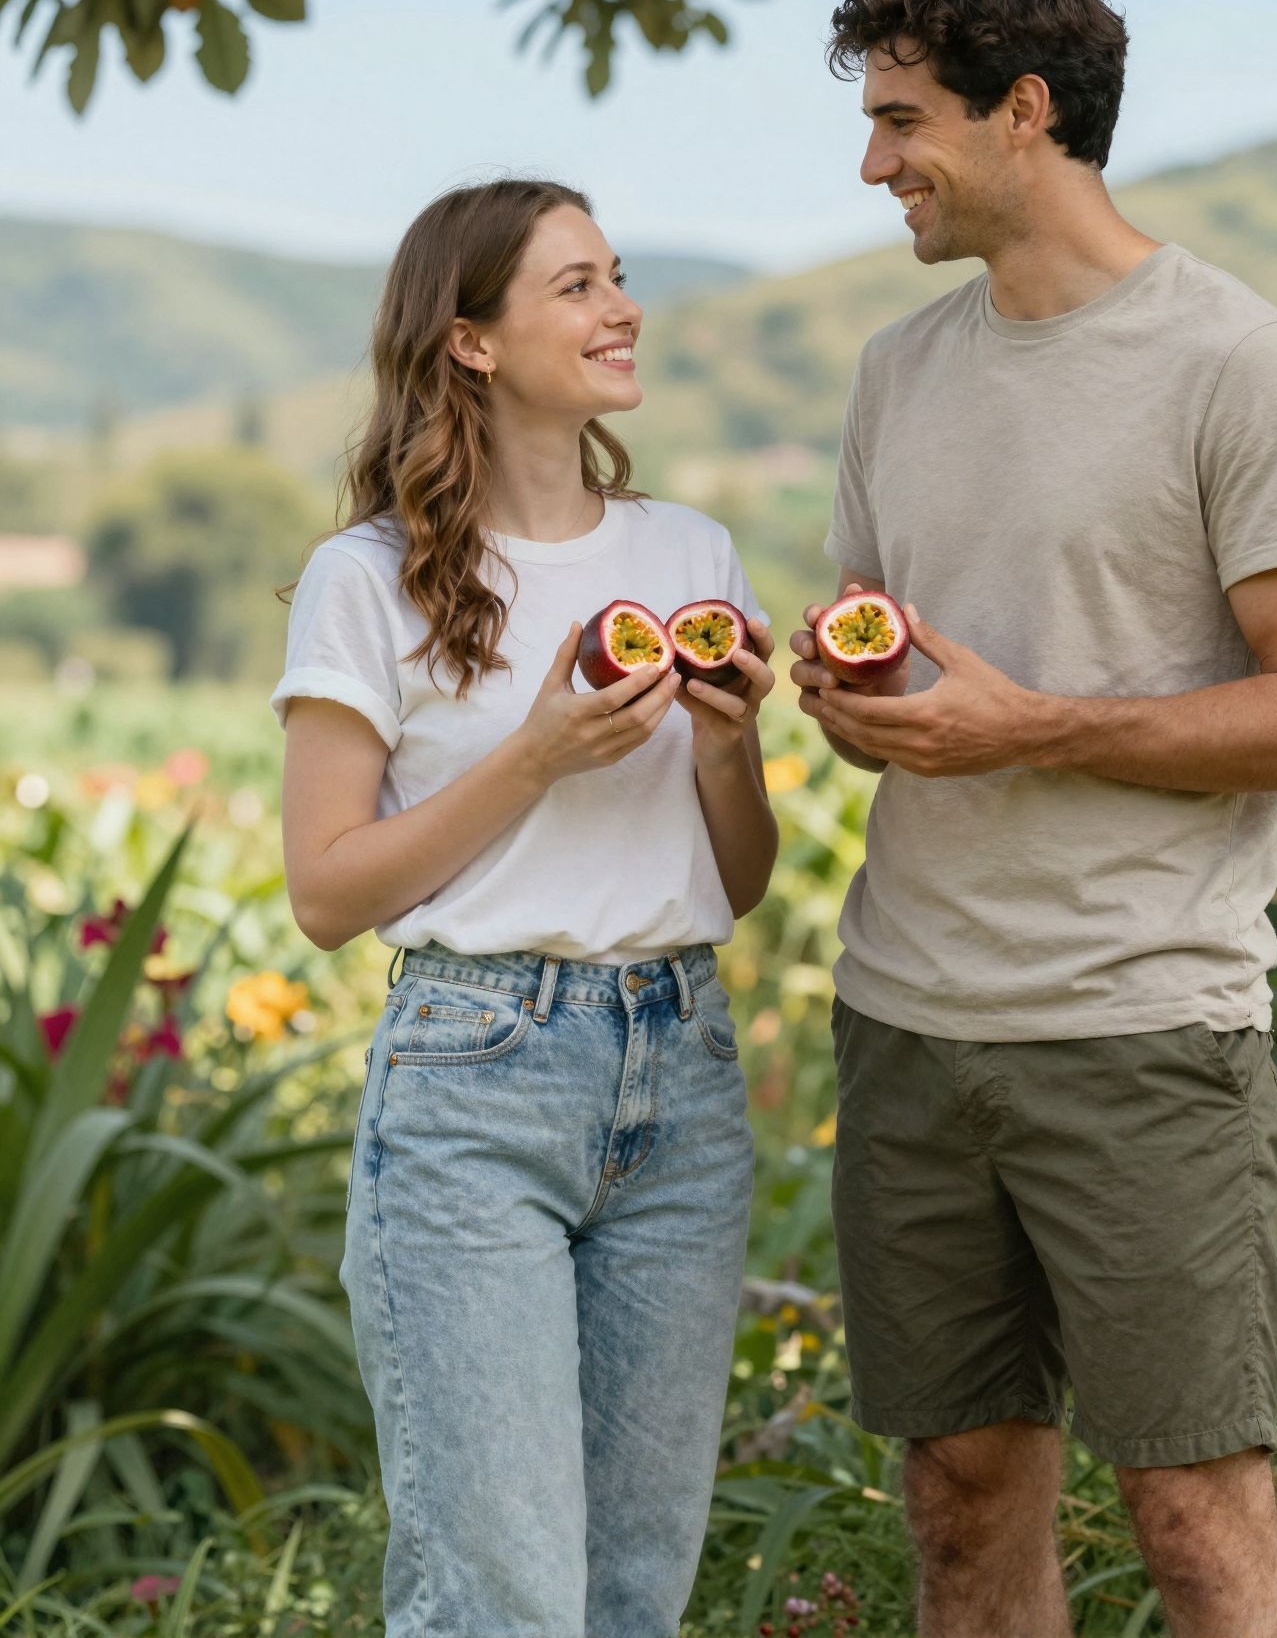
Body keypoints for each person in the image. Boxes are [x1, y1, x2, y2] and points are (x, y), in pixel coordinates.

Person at [788, 0, 1277, 1638]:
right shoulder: (897, 371)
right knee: (959, 1508)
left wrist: (1027, 726)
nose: (873, 162)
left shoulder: (1237, 364)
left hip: (1141, 1033)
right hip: (908, 1025)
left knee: (1195, 1515)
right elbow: (917, 669)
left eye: (903, 119)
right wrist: (859, 696)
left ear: (1024, 112)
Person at [269, 177, 777, 1638]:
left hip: (680, 1073)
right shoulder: (365, 580)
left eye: (617, 277)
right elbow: (325, 891)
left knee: (632, 1591)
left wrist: (731, 746)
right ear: (472, 340)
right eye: (576, 284)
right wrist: (540, 756)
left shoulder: (689, 556)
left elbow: (734, 882)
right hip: (474, 1079)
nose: (622, 307)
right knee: (502, 1599)